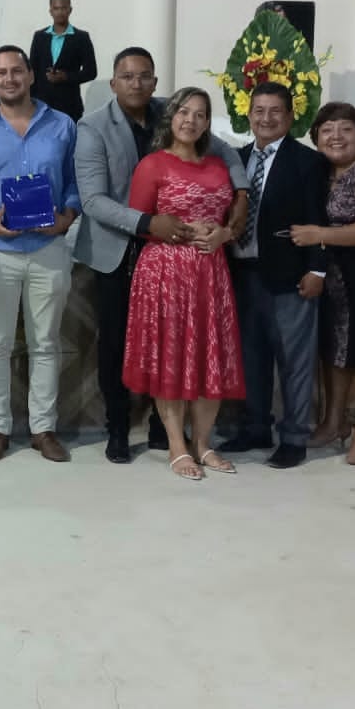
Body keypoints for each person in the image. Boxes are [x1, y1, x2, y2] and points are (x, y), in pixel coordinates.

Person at [73, 47, 247, 464]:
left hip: (179, 250)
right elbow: (93, 200)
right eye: (127, 76)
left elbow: (224, 154)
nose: (136, 83)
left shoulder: (174, 112)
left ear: (154, 80)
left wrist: (240, 195)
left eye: (144, 76)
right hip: (119, 245)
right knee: (118, 342)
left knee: (173, 340)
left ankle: (163, 431)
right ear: (113, 82)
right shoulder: (93, 127)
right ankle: (118, 429)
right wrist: (148, 222)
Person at [122, 87, 245, 479]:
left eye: (200, 114)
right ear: (171, 117)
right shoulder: (152, 164)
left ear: (207, 123)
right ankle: (177, 445)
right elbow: (140, 222)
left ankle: (203, 444)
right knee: (171, 358)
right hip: (166, 273)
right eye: (183, 112)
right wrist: (178, 231)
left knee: (211, 358)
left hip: (212, 273)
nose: (190, 120)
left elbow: (232, 219)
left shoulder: (219, 165)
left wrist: (223, 234)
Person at [0, 45, 81, 463]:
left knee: (46, 343)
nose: (9, 78)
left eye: (17, 70)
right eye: (0, 72)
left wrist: (66, 217)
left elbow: (75, 180)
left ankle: (43, 429)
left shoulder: (62, 125)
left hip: (48, 248)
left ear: (31, 75)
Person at [220, 83, 328, 468]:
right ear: (249, 115)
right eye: (259, 111)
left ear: (290, 116)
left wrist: (317, 268)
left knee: (294, 360)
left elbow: (319, 217)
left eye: (275, 111)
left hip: (290, 274)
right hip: (242, 272)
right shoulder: (236, 158)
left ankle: (295, 437)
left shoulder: (308, 161)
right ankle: (255, 427)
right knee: (251, 356)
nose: (266, 118)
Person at [288, 102, 355, 465]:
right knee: (332, 350)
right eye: (327, 130)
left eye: (346, 129)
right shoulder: (318, 172)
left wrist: (319, 233)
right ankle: (333, 422)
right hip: (328, 279)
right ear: (316, 137)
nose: (336, 136)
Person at [28, 0, 97, 121]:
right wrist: (30, 101)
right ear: (50, 11)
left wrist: (65, 77)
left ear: (70, 10)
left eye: (63, 8)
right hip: (41, 104)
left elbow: (91, 72)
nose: (60, 12)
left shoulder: (81, 37)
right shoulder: (39, 36)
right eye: (56, 8)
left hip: (69, 104)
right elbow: (32, 70)